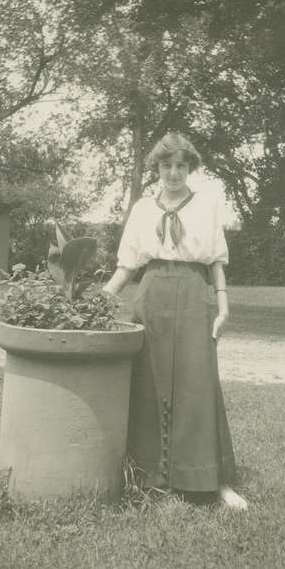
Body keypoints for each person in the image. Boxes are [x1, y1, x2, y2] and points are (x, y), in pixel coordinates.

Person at [103, 132, 247, 509]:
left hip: (193, 290)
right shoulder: (141, 209)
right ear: (157, 168)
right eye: (166, 165)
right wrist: (98, 302)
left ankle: (213, 482)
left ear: (190, 168)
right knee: (146, 382)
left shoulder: (208, 204)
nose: (173, 173)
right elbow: (127, 266)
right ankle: (148, 476)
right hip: (150, 293)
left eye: (181, 165)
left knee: (198, 384)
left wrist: (224, 307)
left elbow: (216, 260)